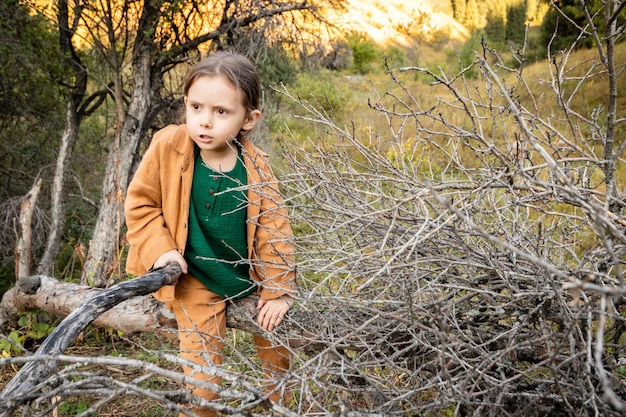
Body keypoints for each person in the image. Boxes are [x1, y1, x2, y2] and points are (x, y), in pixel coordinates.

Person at [124, 50, 297, 417]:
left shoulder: (257, 167)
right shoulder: (169, 146)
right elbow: (141, 205)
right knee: (203, 381)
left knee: (277, 356)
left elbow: (275, 229)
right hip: (196, 279)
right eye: (197, 108)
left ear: (248, 119)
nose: (205, 122)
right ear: (186, 104)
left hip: (248, 278)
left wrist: (278, 290)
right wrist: (163, 252)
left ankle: (282, 407)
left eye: (221, 112)